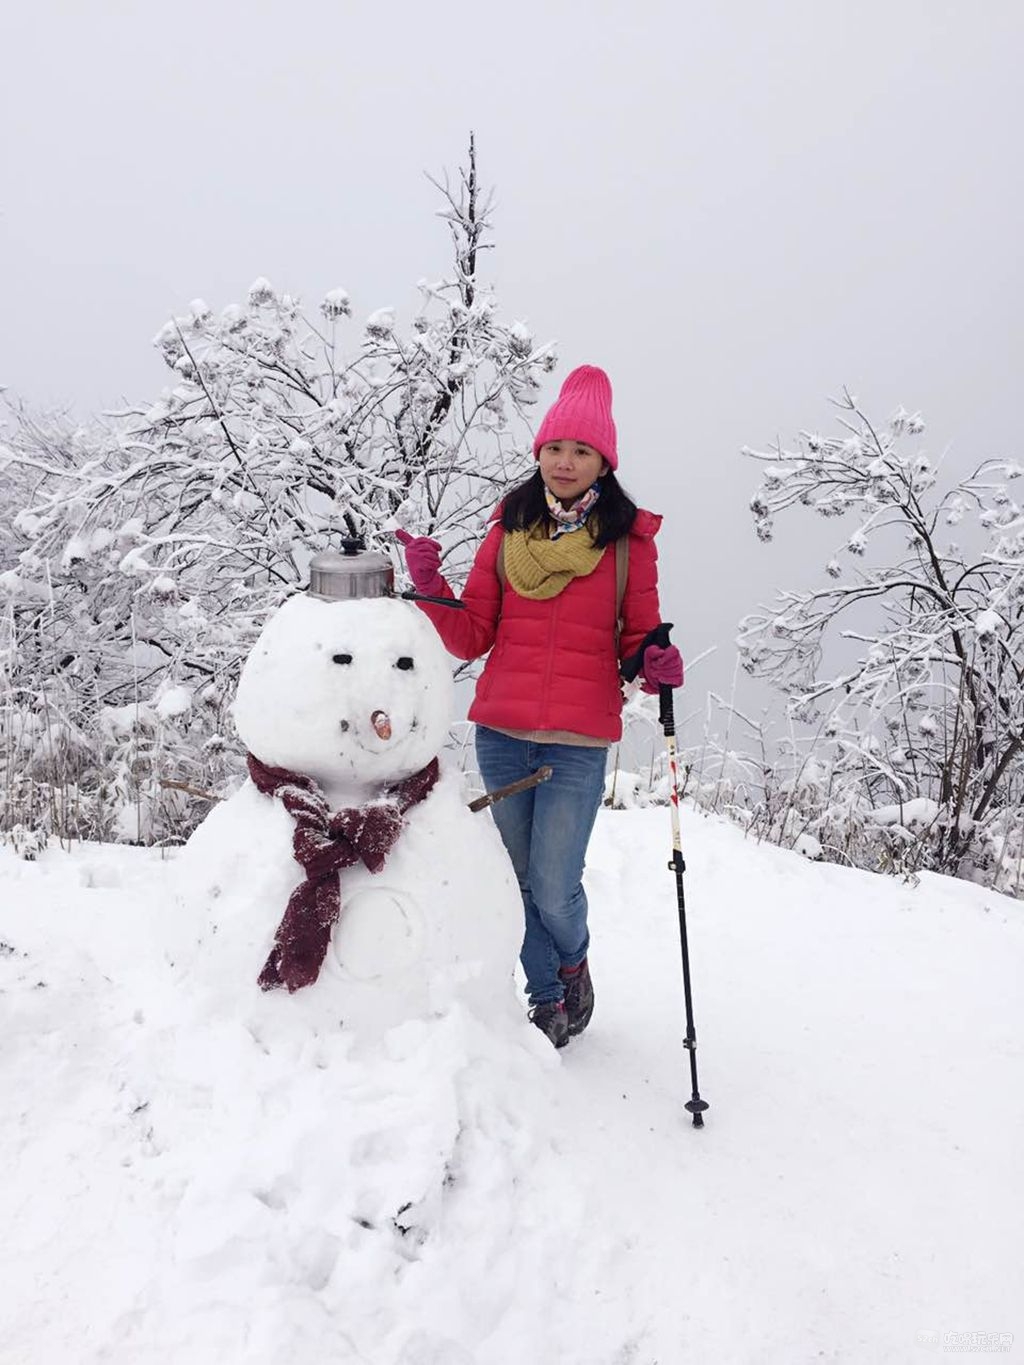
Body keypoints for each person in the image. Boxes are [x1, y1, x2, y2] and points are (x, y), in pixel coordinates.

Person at [396, 365, 682, 1048]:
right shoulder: (507, 532)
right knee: (516, 881)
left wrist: (652, 661)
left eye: (581, 452)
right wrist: (432, 585)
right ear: (540, 452)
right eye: (556, 448)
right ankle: (547, 997)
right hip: (501, 733)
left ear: (602, 463)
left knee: (554, 887)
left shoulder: (627, 544)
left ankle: (573, 964)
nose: (565, 462)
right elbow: (472, 633)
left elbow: (640, 636)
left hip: (577, 743)